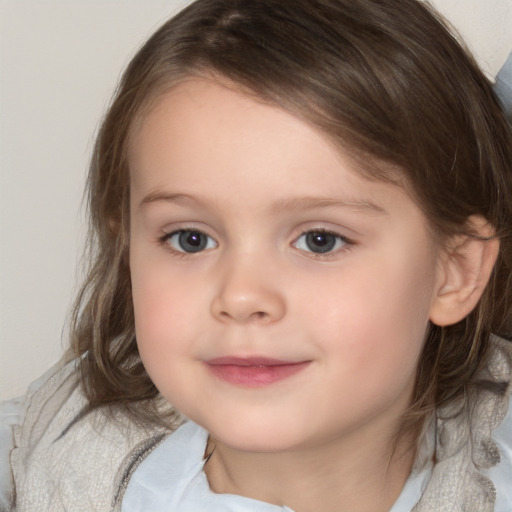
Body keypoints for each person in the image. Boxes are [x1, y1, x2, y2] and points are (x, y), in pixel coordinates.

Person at [2, 0, 512, 510]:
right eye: (190, 239)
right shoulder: (55, 441)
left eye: (320, 240)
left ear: (455, 272)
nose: (242, 296)